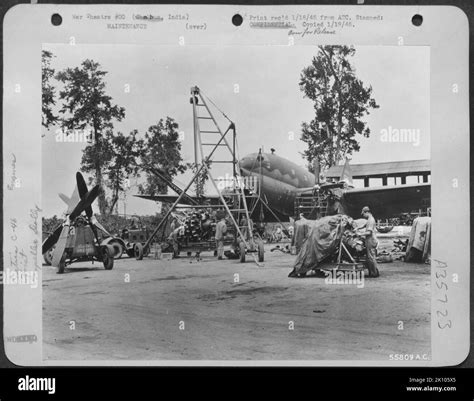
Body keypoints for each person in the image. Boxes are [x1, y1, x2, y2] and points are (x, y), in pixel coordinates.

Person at [360, 206, 380, 277]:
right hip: (370, 240)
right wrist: (358, 227)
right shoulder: (370, 219)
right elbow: (365, 225)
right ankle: (374, 272)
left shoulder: (371, 220)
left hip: (371, 240)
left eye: (363, 214)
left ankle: (374, 273)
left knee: (371, 257)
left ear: (367, 212)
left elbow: (369, 232)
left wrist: (360, 234)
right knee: (371, 257)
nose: (363, 216)